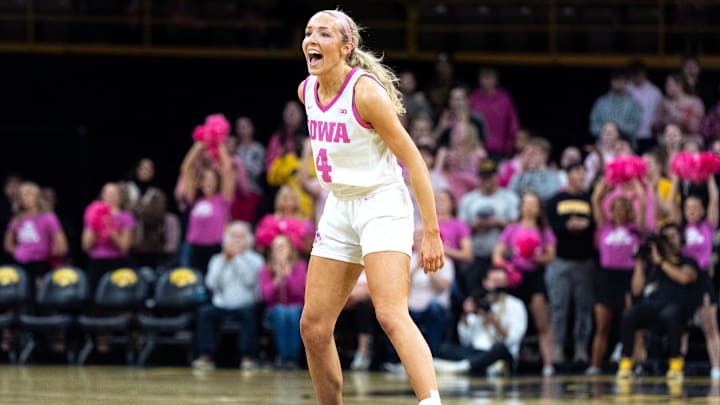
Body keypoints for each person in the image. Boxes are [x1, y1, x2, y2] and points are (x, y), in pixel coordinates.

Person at [298, 10, 445, 405]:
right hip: (340, 205)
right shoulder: (306, 91)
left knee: (391, 314)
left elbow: (414, 162)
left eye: (323, 34)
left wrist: (430, 232)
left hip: (382, 201)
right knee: (313, 328)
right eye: (309, 32)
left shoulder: (364, 92)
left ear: (347, 48)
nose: (312, 39)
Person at [616, 224, 698, 381]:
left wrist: (662, 262)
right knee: (629, 315)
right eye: (666, 238)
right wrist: (639, 264)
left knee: (671, 314)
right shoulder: (652, 265)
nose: (670, 241)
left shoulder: (687, 261)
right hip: (652, 306)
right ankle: (626, 363)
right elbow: (636, 290)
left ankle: (675, 364)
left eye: (673, 237)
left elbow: (685, 278)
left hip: (677, 307)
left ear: (682, 240)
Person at [492, 192, 557, 376]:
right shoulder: (512, 229)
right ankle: (506, 359)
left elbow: (551, 255)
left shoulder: (544, 230)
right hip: (515, 276)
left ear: (538, 208)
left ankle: (548, 364)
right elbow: (497, 255)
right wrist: (508, 267)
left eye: (533, 204)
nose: (529, 208)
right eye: (526, 204)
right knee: (510, 319)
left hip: (535, 276)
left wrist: (536, 256)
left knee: (542, 321)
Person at [586, 178, 645, 375]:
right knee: (602, 325)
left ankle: (635, 363)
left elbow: (643, 204)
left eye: (623, 208)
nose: (619, 211)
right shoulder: (605, 227)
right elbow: (596, 199)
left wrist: (636, 182)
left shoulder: (636, 230)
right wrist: (607, 180)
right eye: (615, 208)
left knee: (632, 324)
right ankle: (595, 365)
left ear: (629, 210)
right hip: (607, 277)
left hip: (627, 276)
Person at [192, 222, 264, 371]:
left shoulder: (256, 260)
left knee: (249, 315)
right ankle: (205, 356)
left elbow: (250, 281)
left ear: (249, 239)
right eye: (233, 236)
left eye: (241, 236)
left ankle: (247, 357)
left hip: (245, 305)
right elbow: (211, 284)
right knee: (205, 313)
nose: (236, 240)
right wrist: (224, 261)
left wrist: (237, 258)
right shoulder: (217, 259)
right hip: (221, 305)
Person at [545, 162, 596, 366]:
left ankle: (581, 349)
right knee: (559, 307)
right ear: (567, 175)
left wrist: (588, 225)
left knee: (584, 308)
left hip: (585, 260)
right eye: (576, 171)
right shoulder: (556, 200)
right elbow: (549, 224)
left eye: (584, 171)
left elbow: (598, 221)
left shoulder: (591, 199)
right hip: (560, 260)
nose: (580, 175)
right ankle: (557, 348)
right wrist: (566, 225)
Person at [433, 267, 527, 376]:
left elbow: (512, 340)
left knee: (500, 348)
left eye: (501, 282)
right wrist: (465, 315)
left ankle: (465, 366)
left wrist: (494, 321)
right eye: (495, 282)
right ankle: (481, 366)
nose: (498, 286)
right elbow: (466, 340)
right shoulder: (478, 302)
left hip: (500, 353)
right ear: (485, 283)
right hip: (476, 352)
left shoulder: (516, 305)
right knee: (445, 348)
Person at [671, 177, 720, 379]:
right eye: (687, 208)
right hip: (683, 278)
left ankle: (717, 366)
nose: (691, 211)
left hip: (702, 279)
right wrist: (676, 178)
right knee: (681, 325)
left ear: (702, 209)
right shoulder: (680, 228)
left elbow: (715, 199)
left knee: (710, 325)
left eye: (695, 208)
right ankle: (677, 366)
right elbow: (673, 202)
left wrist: (708, 177)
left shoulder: (708, 227)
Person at [457, 159, 519, 297]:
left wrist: (497, 223)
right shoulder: (468, 199)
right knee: (474, 295)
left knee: (501, 296)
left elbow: (515, 226)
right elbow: (461, 228)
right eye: (484, 177)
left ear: (497, 176)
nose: (487, 180)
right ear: (479, 178)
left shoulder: (509, 197)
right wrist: (476, 226)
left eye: (490, 176)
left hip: (501, 258)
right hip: (475, 256)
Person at [178, 140, 234, 273]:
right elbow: (186, 169)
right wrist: (197, 147)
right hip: (194, 248)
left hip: (216, 248)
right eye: (205, 179)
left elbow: (227, 170)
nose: (209, 182)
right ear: (200, 183)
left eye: (212, 179)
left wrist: (218, 144)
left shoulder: (222, 199)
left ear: (217, 182)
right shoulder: (194, 199)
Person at [4, 182, 68, 290]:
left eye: (30, 194)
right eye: (23, 195)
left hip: (42, 263)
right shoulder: (17, 219)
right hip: (22, 264)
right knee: (22, 296)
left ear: (37, 196)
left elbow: (62, 245)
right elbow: (8, 243)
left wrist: (44, 253)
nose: (27, 198)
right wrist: (19, 252)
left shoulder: (49, 217)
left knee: (41, 295)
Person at [260, 235, 307, 370]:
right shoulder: (266, 269)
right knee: (281, 312)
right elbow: (266, 296)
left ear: (290, 249)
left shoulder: (300, 266)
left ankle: (293, 357)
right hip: (274, 310)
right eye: (276, 247)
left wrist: (288, 275)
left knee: (291, 313)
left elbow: (301, 292)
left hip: (296, 308)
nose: (280, 250)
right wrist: (277, 280)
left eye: (283, 246)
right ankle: (283, 355)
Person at [82, 182, 135, 292]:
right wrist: (93, 223)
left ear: (120, 197)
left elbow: (125, 247)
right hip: (96, 262)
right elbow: (86, 246)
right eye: (107, 193)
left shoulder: (126, 216)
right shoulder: (93, 213)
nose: (110, 197)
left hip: (118, 262)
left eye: (114, 193)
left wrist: (110, 227)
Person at [468, 67, 520, 159]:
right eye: (484, 77)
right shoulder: (474, 97)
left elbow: (513, 124)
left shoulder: (504, 98)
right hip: (476, 149)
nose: (487, 81)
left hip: (500, 149)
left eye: (490, 77)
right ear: (479, 79)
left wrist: (510, 146)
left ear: (496, 80)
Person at [589, 70, 642, 144]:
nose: (618, 82)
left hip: (626, 144)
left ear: (626, 82)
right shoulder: (601, 102)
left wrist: (617, 128)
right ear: (611, 81)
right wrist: (608, 131)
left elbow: (635, 127)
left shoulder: (634, 104)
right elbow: (593, 127)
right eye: (615, 79)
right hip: (603, 145)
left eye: (621, 79)